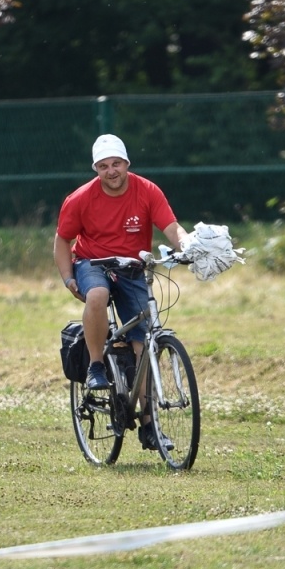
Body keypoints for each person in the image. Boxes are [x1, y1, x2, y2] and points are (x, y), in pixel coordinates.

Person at [54, 133, 186, 450]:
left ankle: (149, 424)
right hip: (92, 262)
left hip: (132, 266)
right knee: (97, 296)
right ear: (96, 169)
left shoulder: (147, 191)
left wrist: (187, 246)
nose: (111, 171)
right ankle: (96, 365)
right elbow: (62, 241)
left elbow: (172, 227)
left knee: (145, 342)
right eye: (103, 166)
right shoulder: (80, 198)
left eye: (116, 164)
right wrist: (68, 279)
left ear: (127, 163)